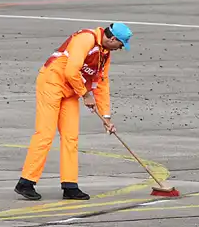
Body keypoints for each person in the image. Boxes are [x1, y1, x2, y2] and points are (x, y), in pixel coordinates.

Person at [14, 22, 132, 201]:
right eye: (121, 44)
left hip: (71, 91)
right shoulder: (86, 39)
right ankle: (26, 182)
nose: (120, 48)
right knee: (45, 133)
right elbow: (71, 71)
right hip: (52, 83)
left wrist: (106, 116)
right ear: (113, 39)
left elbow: (102, 83)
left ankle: (70, 186)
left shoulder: (105, 54)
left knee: (71, 137)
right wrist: (85, 94)